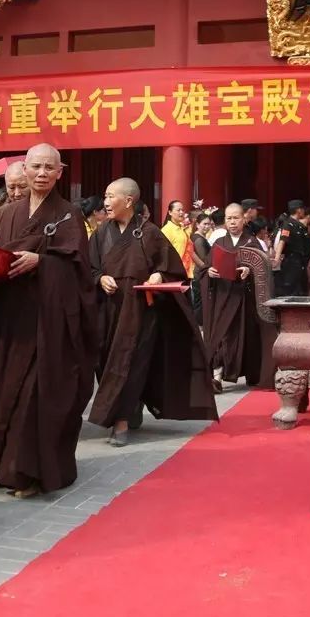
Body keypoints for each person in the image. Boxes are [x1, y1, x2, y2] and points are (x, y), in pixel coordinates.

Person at [0, 144, 97, 498]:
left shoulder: (68, 216)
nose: (42, 173)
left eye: (50, 167)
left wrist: (43, 263)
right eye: (36, 166)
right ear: (25, 170)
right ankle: (8, 470)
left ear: (60, 173)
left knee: (39, 395)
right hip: (12, 322)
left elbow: (80, 271)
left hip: (51, 326)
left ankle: (33, 473)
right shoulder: (5, 214)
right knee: (9, 395)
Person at [90, 178, 216, 446]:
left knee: (130, 364)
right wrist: (100, 278)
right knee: (106, 363)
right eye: (105, 196)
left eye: (111, 196)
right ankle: (130, 408)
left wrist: (159, 274)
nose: (105, 203)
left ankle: (120, 421)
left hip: (139, 313)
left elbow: (173, 269)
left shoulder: (149, 233)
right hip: (108, 311)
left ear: (128, 201)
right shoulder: (101, 233)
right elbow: (88, 268)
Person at [201, 203, 263, 390]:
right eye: (228, 218)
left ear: (244, 219)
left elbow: (263, 270)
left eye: (236, 218)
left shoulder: (252, 243)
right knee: (221, 335)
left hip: (243, 300)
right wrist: (208, 272)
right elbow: (204, 268)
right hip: (222, 297)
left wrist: (249, 270)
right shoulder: (219, 243)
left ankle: (247, 373)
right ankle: (216, 377)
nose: (232, 222)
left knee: (240, 337)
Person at [272, 200, 310, 297]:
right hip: (291, 261)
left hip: (302, 261)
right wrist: (277, 258)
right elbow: (282, 241)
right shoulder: (288, 224)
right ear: (298, 210)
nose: (303, 212)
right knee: (290, 289)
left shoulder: (300, 226)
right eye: (302, 209)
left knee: (301, 289)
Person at [189, 212, 213, 325]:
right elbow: (203, 259)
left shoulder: (195, 236)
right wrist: (207, 269)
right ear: (197, 224)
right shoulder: (198, 239)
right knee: (200, 303)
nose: (207, 227)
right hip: (200, 274)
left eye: (209, 224)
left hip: (198, 273)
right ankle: (200, 326)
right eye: (204, 224)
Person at [160, 200, 194, 278]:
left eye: (183, 210)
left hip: (187, 271)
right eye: (178, 210)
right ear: (170, 212)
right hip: (175, 272)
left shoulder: (183, 228)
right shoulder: (166, 230)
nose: (181, 212)